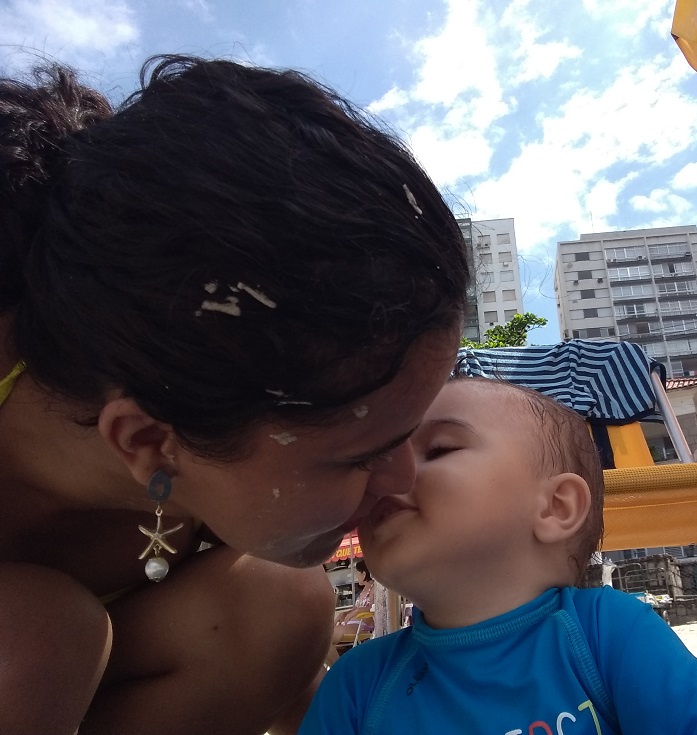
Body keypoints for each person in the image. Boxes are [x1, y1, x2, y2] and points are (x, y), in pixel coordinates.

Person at [0, 55, 469, 735]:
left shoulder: (199, 438)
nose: (404, 477)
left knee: (278, 603)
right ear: (149, 442)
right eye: (359, 454)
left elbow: (298, 691)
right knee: (36, 637)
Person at [300, 377, 697, 734]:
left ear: (555, 507)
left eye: (440, 448)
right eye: (383, 459)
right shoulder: (357, 687)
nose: (389, 474)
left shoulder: (606, 634)